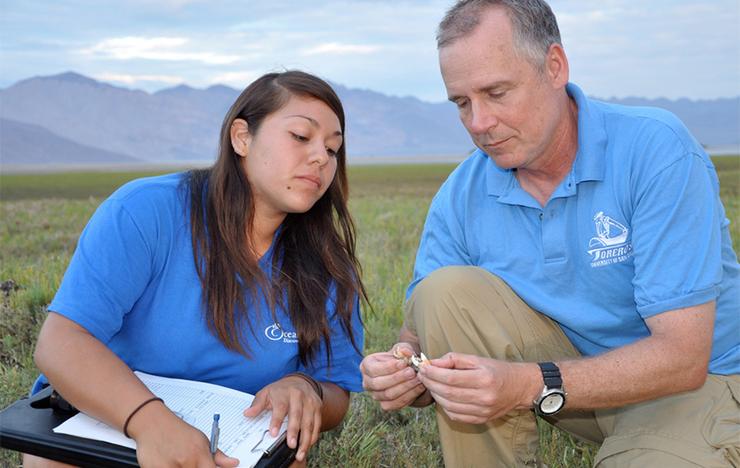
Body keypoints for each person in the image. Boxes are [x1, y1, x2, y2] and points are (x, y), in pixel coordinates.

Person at [360, 1, 740, 466]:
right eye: (462, 102)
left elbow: (684, 356)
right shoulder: (461, 194)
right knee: (445, 291)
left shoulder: (654, 150)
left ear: (554, 66)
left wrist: (524, 384)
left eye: (496, 92)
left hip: (698, 384)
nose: (478, 124)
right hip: (573, 389)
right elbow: (421, 335)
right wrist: (407, 370)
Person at [26, 70, 367, 468]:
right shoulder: (147, 211)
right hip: (107, 424)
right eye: (301, 136)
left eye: (333, 148)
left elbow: (336, 388)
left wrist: (305, 388)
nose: (320, 158)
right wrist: (150, 424)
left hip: (232, 447)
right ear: (242, 137)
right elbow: (61, 341)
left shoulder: (324, 261)